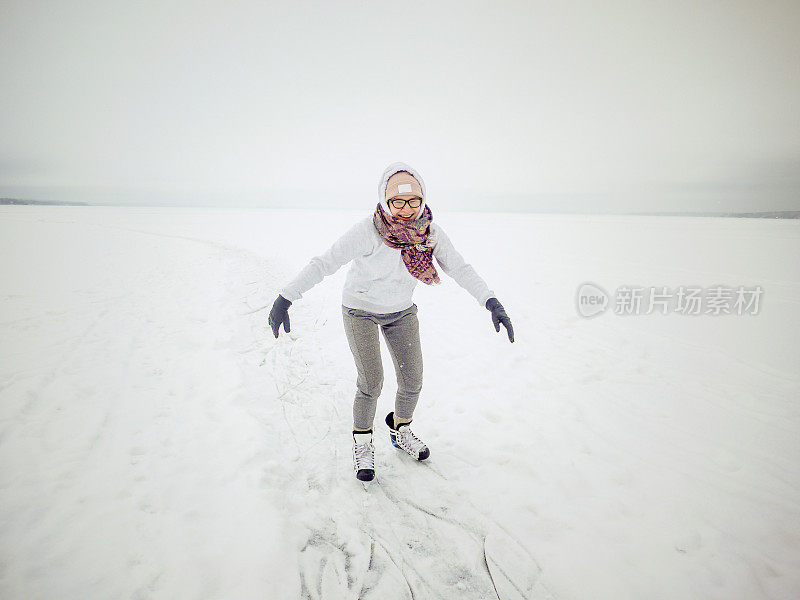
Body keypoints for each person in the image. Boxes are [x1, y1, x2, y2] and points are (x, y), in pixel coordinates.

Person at [268, 162, 514, 482]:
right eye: (398, 201)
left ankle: (400, 430)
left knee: (413, 380)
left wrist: (491, 301)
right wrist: (286, 297)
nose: (407, 209)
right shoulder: (367, 232)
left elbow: (460, 268)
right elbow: (324, 263)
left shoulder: (430, 234)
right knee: (371, 382)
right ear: (385, 200)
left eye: (414, 200)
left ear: (423, 200)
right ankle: (363, 442)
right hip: (361, 311)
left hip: (400, 311)